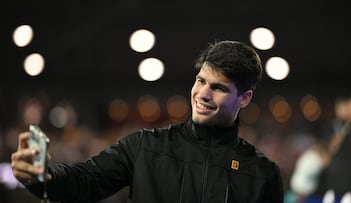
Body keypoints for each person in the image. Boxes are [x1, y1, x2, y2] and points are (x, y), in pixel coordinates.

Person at [11, 40, 284, 203]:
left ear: (245, 98)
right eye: (200, 81)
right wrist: (44, 177)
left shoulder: (262, 173)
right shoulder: (146, 146)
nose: (202, 94)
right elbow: (85, 180)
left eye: (219, 88)